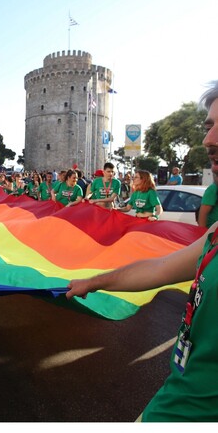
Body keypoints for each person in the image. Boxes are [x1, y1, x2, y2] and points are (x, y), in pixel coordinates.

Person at [66, 80, 218, 421]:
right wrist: (94, 282)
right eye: (209, 127)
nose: (209, 140)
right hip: (175, 400)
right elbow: (158, 269)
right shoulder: (215, 236)